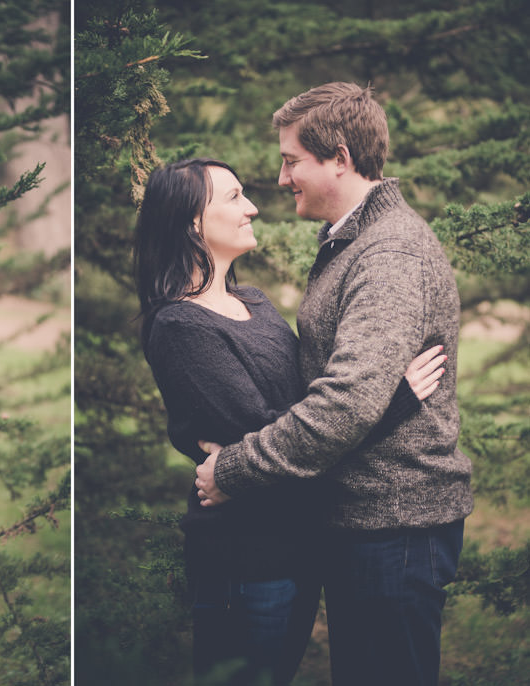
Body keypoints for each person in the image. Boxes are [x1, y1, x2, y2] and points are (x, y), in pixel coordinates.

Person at [194, 82, 473, 686]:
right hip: (370, 521)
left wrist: (234, 469)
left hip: (397, 524)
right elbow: (352, 390)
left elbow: (346, 402)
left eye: (292, 159)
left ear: (340, 158)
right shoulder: (356, 241)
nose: (280, 176)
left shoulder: (390, 252)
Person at [134, 157, 446, 684]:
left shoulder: (252, 302)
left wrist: (237, 466)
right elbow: (273, 427)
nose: (253, 206)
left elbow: (310, 413)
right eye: (233, 197)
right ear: (191, 222)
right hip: (246, 554)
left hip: (299, 543)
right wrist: (391, 402)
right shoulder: (180, 325)